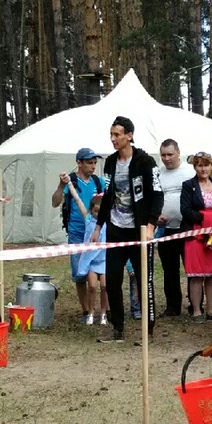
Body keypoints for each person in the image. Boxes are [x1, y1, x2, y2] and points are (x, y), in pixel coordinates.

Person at [92, 115, 161, 343]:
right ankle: (117, 328)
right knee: (111, 279)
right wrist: (99, 225)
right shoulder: (111, 162)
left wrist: (150, 225)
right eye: (111, 135)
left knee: (144, 280)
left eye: (117, 135)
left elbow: (157, 194)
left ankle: (148, 331)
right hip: (115, 229)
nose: (113, 139)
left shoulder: (145, 162)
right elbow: (108, 194)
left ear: (129, 136)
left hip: (139, 230)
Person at [54, 148, 107, 324]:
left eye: (94, 163)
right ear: (79, 163)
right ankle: (86, 311)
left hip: (98, 232)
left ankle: (102, 310)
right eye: (89, 163)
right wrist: (61, 186)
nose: (93, 166)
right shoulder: (72, 182)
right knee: (79, 273)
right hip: (77, 232)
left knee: (100, 270)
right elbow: (55, 202)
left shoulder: (99, 183)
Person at [180, 151, 212, 320]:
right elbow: (185, 210)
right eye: (200, 165)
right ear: (195, 167)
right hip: (196, 234)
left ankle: (211, 310)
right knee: (196, 276)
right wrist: (206, 219)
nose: (203, 169)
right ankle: (196, 311)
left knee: (211, 274)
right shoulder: (188, 185)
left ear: (211, 166)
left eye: (206, 165)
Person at [156, 139, 195, 316]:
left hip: (187, 228)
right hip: (166, 230)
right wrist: (155, 216)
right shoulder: (158, 174)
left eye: (170, 154)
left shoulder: (189, 171)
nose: (167, 158)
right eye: (163, 155)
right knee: (169, 270)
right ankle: (173, 306)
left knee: (192, 269)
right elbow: (154, 199)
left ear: (178, 152)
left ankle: (195, 305)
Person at [76, 194, 109, 324]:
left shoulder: (109, 221)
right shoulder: (88, 219)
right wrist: (70, 185)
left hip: (105, 260)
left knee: (105, 287)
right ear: (91, 210)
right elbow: (79, 201)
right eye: (95, 211)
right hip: (91, 261)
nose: (98, 214)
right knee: (92, 287)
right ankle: (90, 312)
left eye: (101, 212)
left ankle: (104, 313)